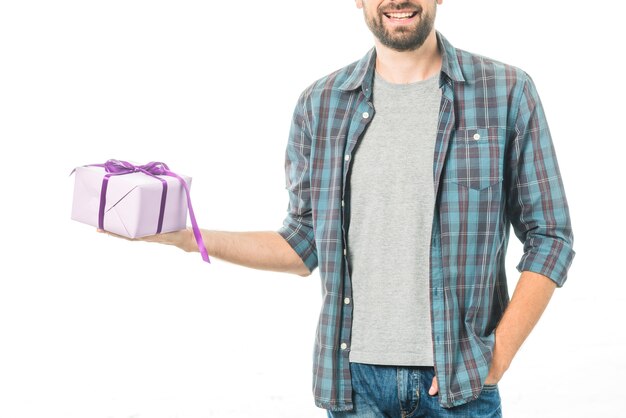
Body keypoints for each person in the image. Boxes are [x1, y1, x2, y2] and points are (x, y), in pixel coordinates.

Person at [104, 0, 575, 416]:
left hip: (460, 385)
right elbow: (302, 244)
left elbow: (550, 236)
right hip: (354, 387)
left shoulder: (506, 92)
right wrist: (188, 238)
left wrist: (500, 354)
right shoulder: (321, 104)